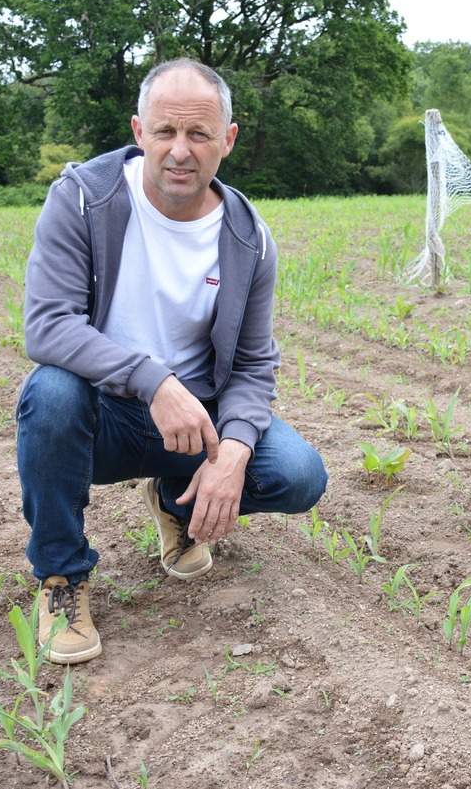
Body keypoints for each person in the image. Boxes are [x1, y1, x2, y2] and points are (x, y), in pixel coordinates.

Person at [17, 58, 328, 664]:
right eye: (165, 132)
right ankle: (62, 578)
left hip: (195, 426)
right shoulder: (83, 199)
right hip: (99, 414)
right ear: (139, 132)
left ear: (228, 141)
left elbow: (253, 365)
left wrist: (233, 452)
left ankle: (175, 494)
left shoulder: (248, 238)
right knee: (50, 393)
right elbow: (48, 325)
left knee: (297, 475)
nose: (179, 152)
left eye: (199, 134)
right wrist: (153, 380)